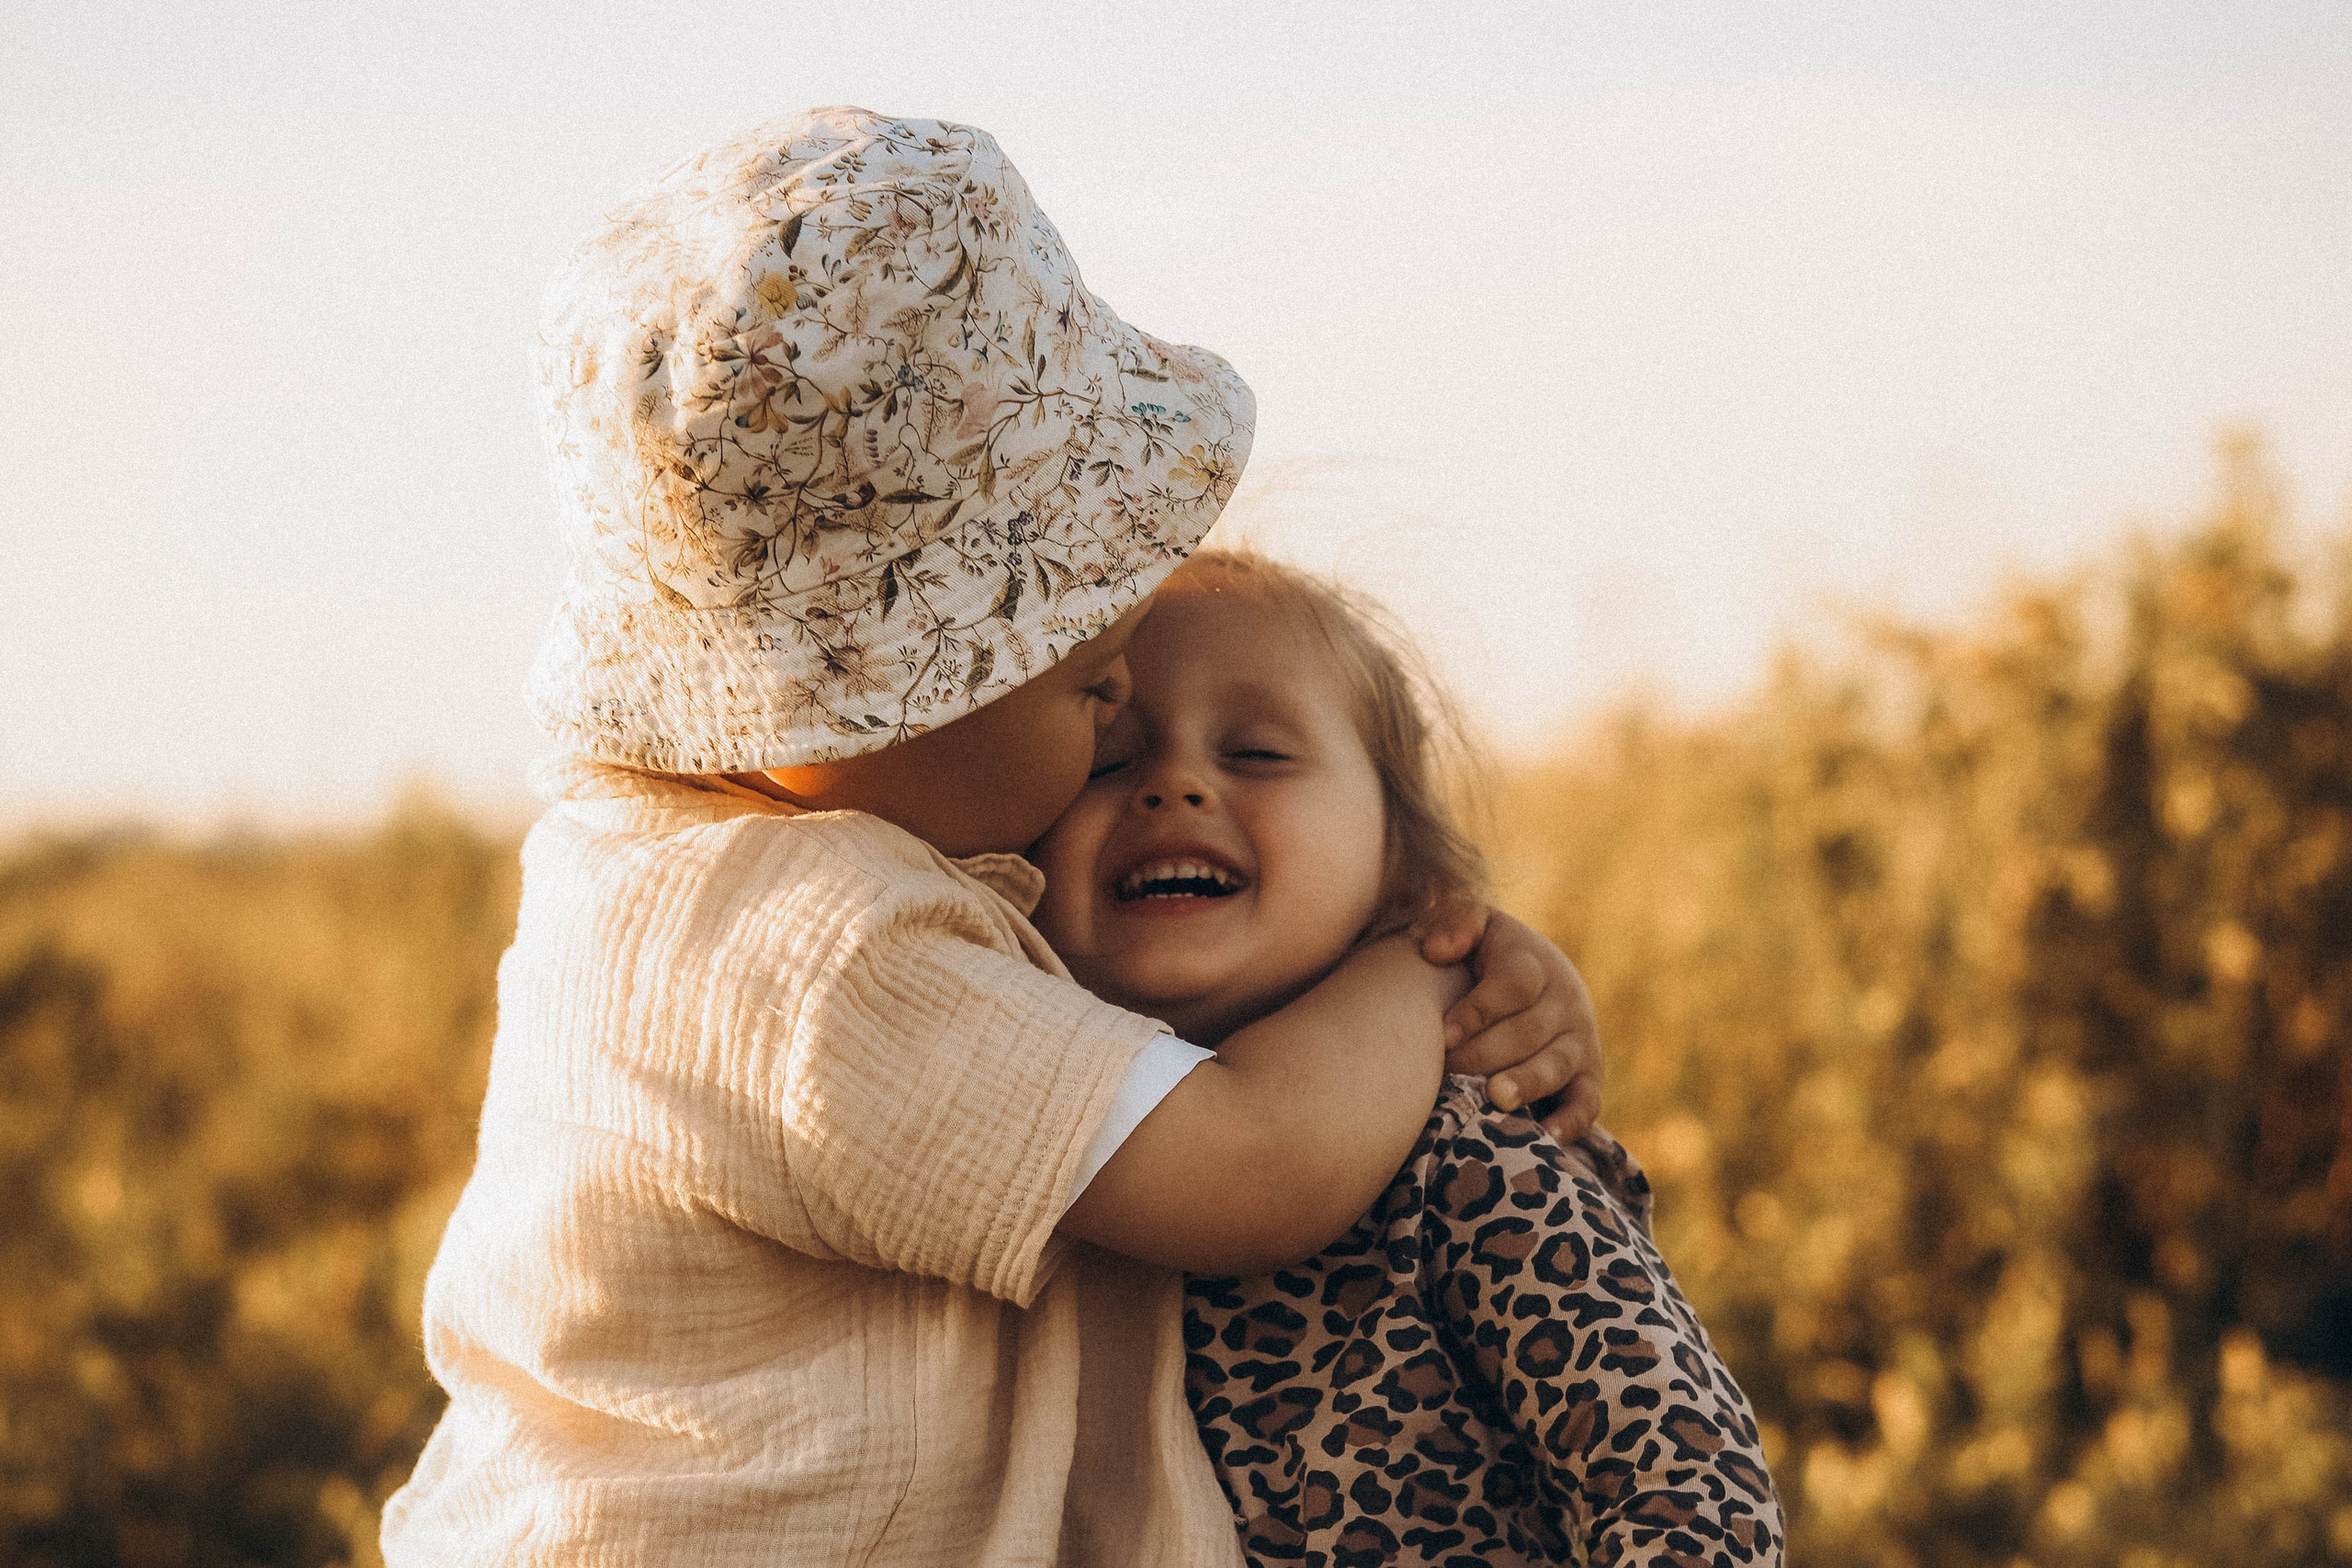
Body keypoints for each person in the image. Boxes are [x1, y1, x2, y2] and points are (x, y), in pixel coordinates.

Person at [379, 107, 1600, 1567]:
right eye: (1074, 638)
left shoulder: (712, 865)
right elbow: (1258, 1161)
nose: (1122, 651)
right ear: (860, 697)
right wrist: (1420, 962)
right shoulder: (816, 955)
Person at [1029, 553, 1786, 1566]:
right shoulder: (1038, 1142)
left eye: (1256, 752)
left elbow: (1688, 1490)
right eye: (1108, 760)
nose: (1174, 785)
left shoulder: (1466, 1150)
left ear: (1400, 854)